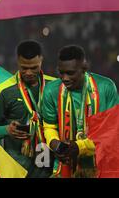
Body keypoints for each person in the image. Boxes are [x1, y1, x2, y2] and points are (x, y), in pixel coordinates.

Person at [42, 45, 119, 178]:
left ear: (84, 69)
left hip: (99, 165)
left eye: (70, 73)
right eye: (61, 72)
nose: (65, 78)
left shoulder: (106, 87)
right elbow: (49, 126)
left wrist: (79, 147)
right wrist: (56, 144)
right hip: (65, 166)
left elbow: (111, 132)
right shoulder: (51, 91)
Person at [0, 40, 56, 177]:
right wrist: (6, 129)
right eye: (24, 68)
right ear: (17, 61)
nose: (28, 72)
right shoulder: (3, 90)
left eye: (34, 68)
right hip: (18, 167)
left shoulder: (55, 86)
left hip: (49, 166)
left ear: (41, 60)